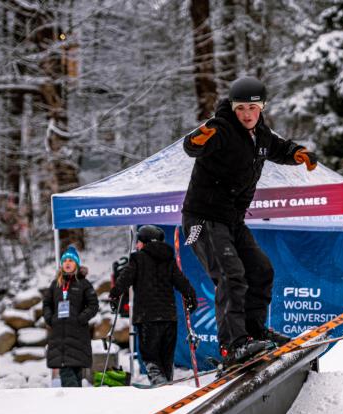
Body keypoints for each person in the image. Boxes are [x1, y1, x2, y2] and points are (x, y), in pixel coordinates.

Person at [180, 75, 318, 367]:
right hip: (202, 220)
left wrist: (298, 154)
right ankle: (233, 345)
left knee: (261, 270)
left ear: (262, 108)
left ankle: (254, 332)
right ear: (232, 107)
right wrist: (196, 140)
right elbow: (193, 145)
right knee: (231, 275)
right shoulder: (222, 129)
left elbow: (280, 149)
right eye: (240, 108)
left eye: (252, 109)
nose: (246, 115)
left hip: (231, 220)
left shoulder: (262, 135)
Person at [108, 225, 198, 386]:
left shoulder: (137, 259)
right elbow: (182, 282)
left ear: (145, 242)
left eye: (139, 242)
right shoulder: (169, 259)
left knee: (150, 357)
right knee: (166, 359)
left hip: (147, 318)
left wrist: (114, 296)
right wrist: (191, 296)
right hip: (169, 318)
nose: (136, 245)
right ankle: (167, 388)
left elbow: (124, 279)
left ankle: (160, 383)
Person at [42, 245, 99, 388]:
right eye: (65, 260)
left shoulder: (84, 284)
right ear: (61, 264)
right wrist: (50, 318)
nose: (67, 263)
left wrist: (80, 319)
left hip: (78, 336)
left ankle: (74, 404)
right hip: (59, 337)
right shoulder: (55, 284)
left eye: (71, 261)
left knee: (76, 372)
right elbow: (46, 303)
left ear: (77, 264)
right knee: (66, 372)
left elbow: (93, 305)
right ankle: (74, 403)